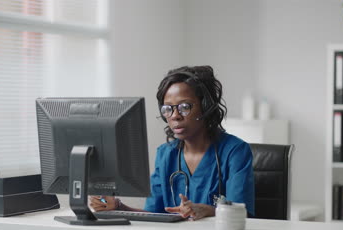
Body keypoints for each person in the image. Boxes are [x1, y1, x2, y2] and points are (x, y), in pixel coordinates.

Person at [90, 65, 254, 220]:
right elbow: (153, 215)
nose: (175, 115)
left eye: (184, 106)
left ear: (206, 106)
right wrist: (118, 206)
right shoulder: (165, 154)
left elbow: (241, 213)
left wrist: (207, 210)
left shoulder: (235, 151)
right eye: (168, 108)